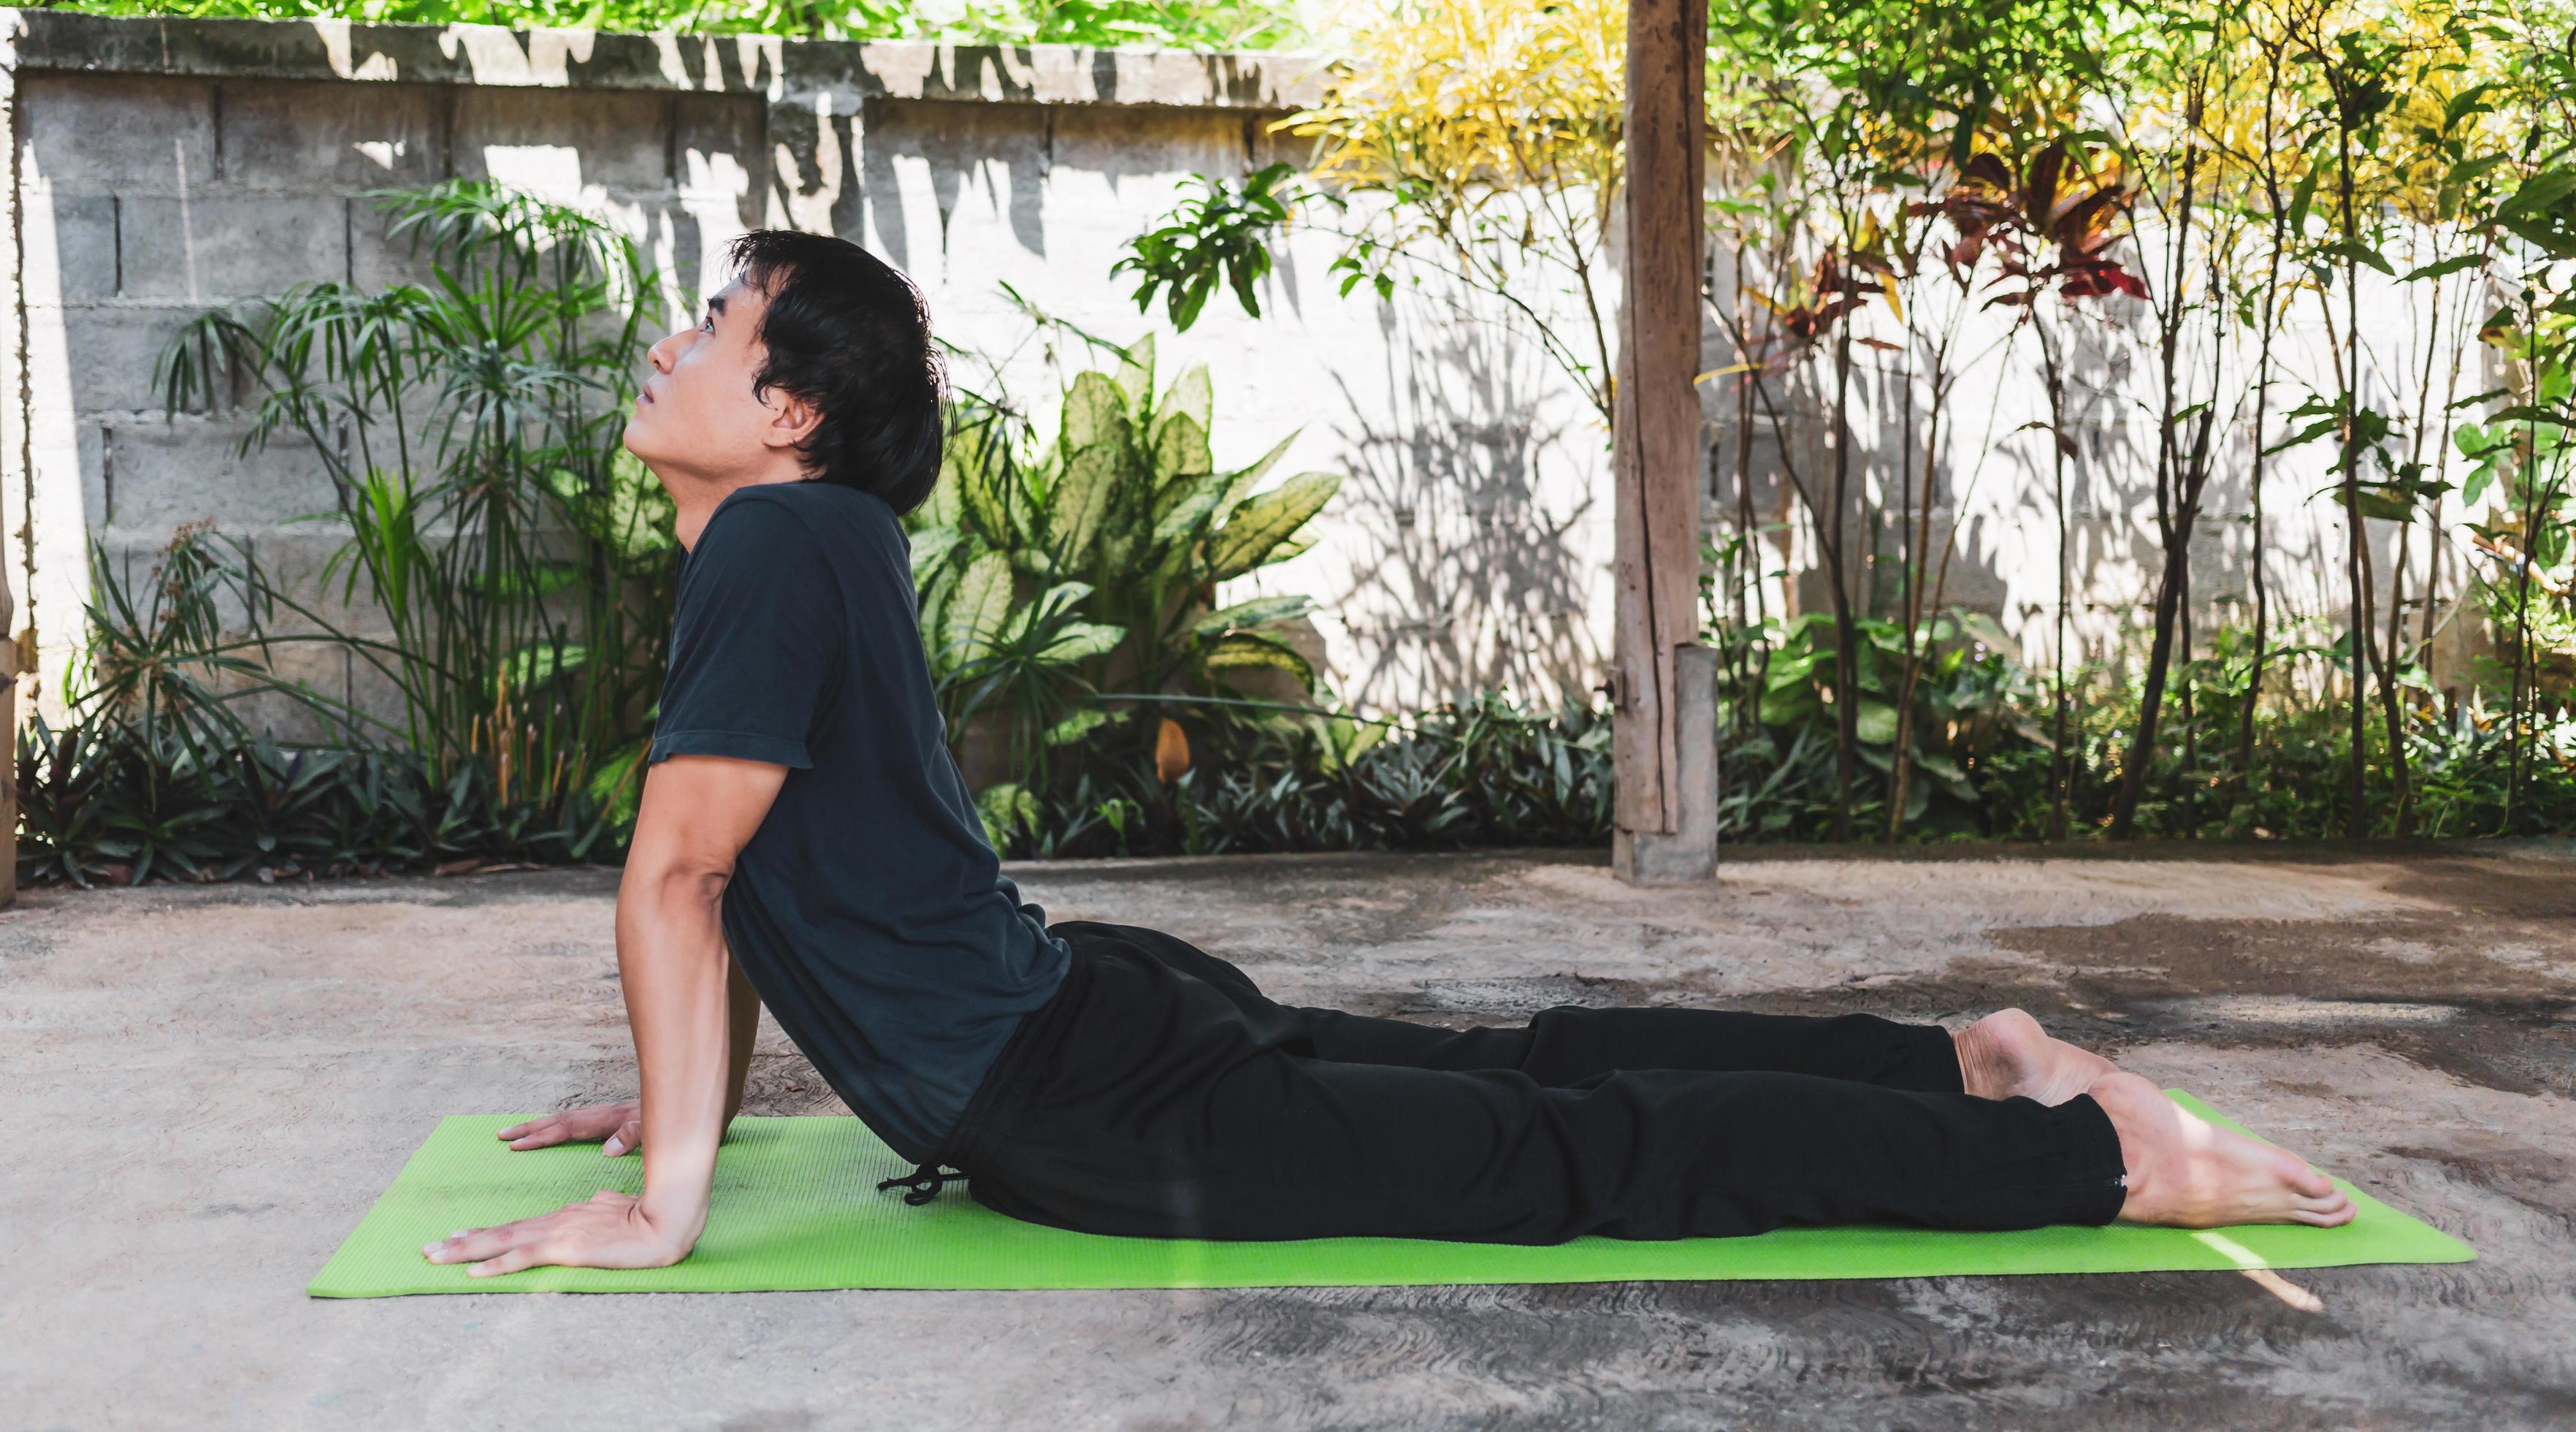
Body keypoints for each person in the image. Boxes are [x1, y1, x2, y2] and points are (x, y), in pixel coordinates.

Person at [421, 232, 2354, 1279]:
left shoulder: (769, 542)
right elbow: (749, 880)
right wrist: (677, 1094)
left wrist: (669, 1201)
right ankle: (1960, 1060)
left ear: (783, 409)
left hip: (1082, 1090)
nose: (664, 347)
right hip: (1095, 1014)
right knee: (1533, 1080)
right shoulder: (815, 536)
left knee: (1559, 1161)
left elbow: (686, 876)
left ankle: (2087, 1158)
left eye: (710, 320)